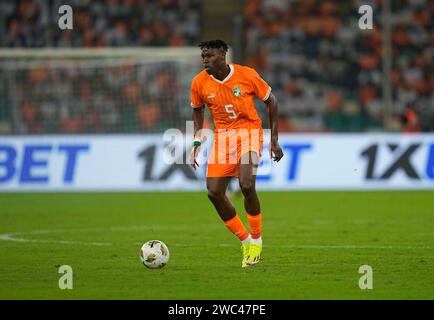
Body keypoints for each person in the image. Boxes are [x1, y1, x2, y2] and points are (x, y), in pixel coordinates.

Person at [189, 40, 283, 267]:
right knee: (213, 192)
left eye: (209, 56)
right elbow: (197, 110)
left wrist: (274, 140)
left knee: (247, 185)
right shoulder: (199, 83)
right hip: (222, 139)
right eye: (203, 56)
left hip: (249, 133)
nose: (205, 60)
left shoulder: (246, 75)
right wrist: (196, 141)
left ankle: (257, 241)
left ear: (222, 55)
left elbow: (272, 101)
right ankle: (245, 240)